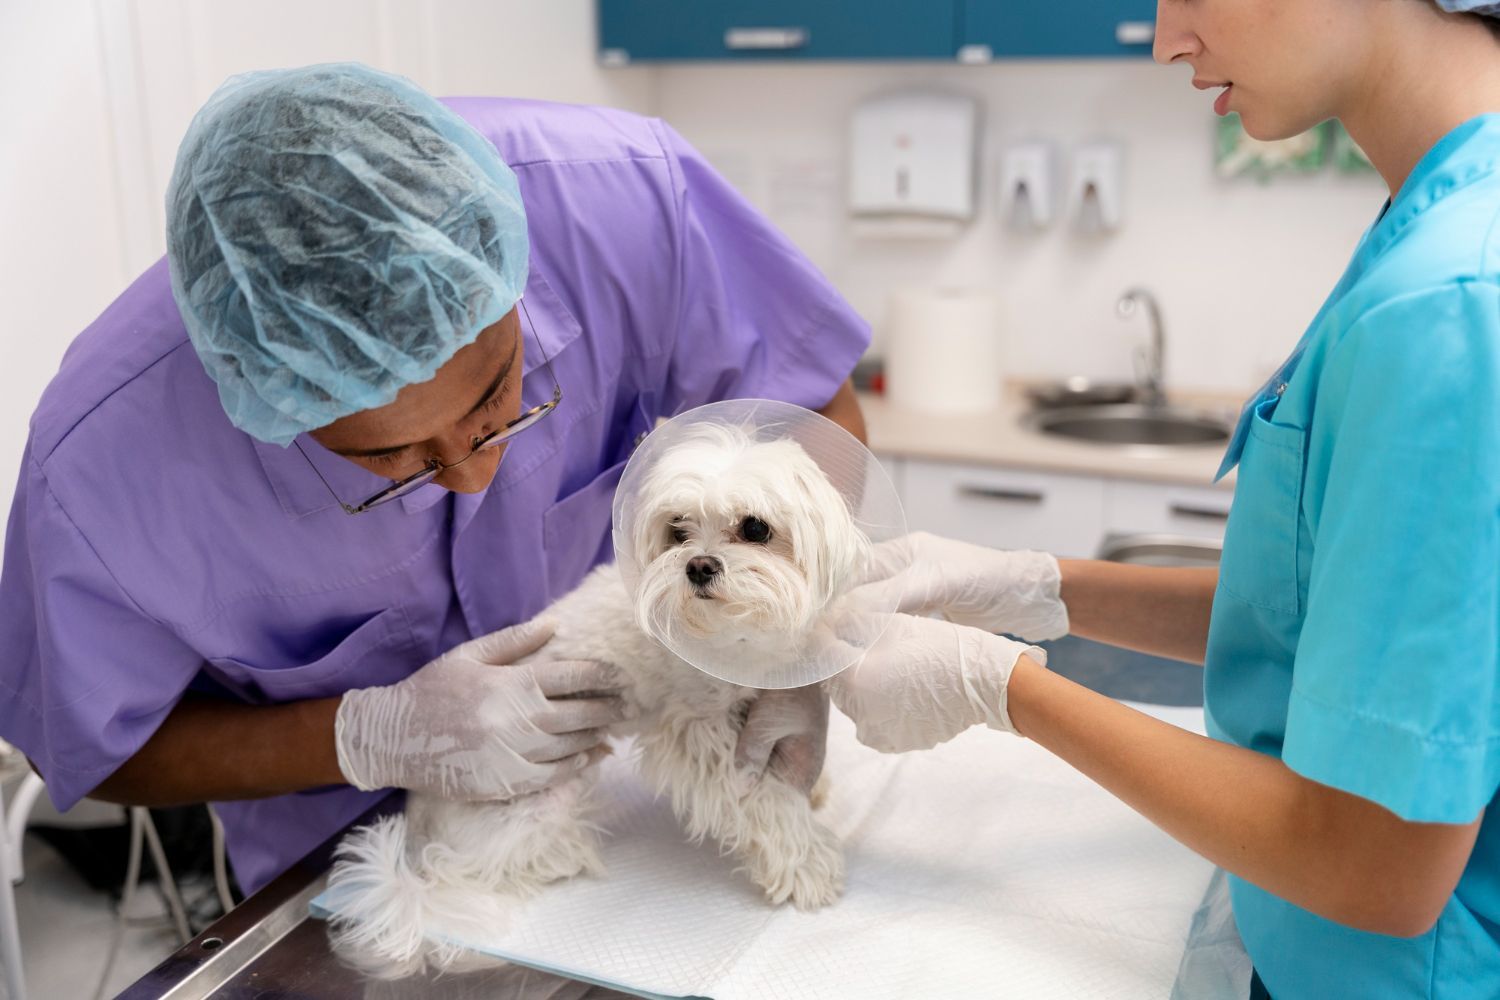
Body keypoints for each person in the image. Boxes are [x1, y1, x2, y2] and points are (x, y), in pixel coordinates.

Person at [0, 63, 863, 898]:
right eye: (388, 463)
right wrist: (364, 737)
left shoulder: (625, 204)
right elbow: (90, 749)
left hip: (624, 796)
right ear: (272, 405)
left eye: (502, 399)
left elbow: (814, 403)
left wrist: (797, 650)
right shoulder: (98, 476)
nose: (478, 469)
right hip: (333, 855)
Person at [829, 2, 1500, 997]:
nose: (1163, 38)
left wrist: (1003, 686)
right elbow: (1328, 623)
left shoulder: (1443, 303)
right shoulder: (1440, 228)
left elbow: (1376, 863)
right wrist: (1029, 585)